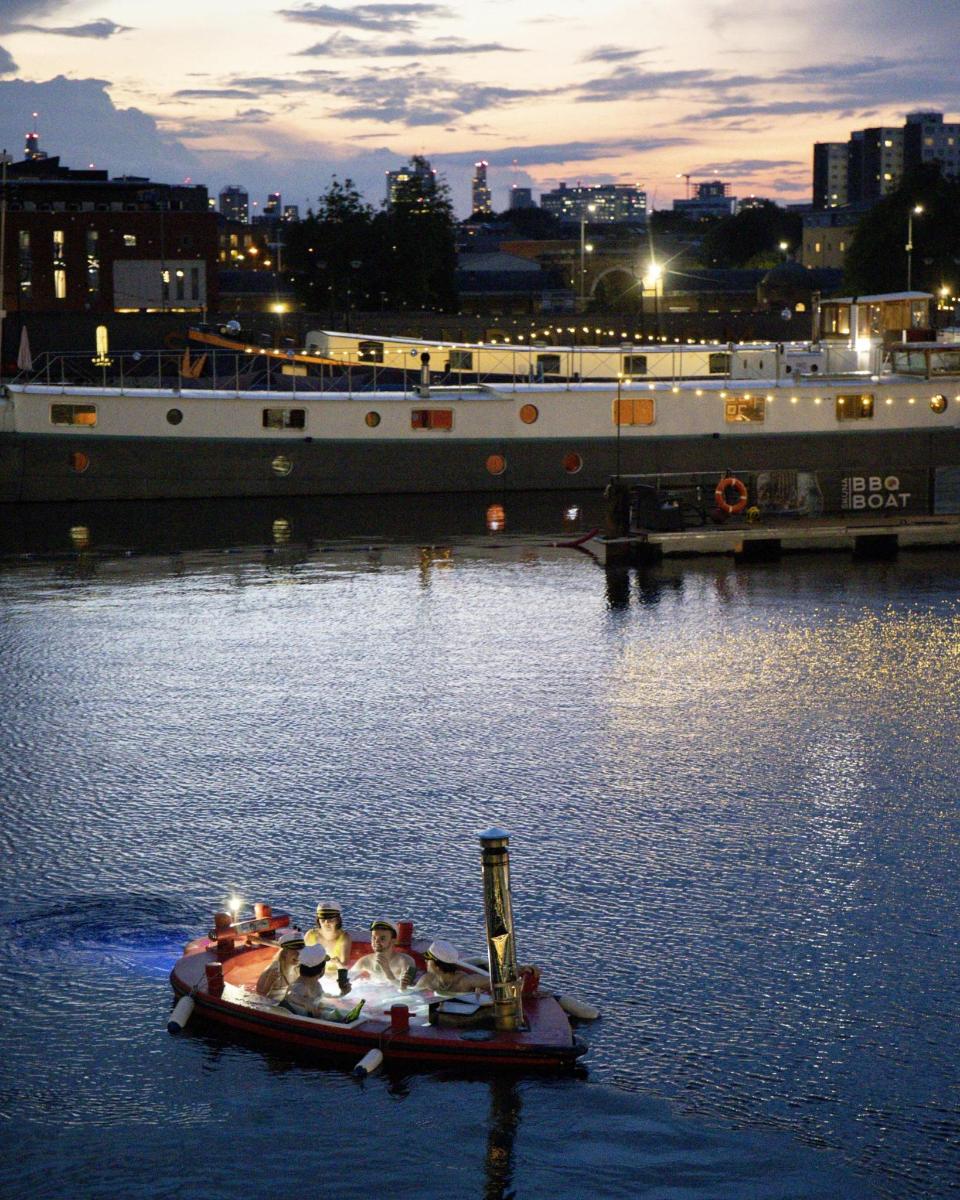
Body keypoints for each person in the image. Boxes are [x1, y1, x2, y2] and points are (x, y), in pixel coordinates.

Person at [284, 945, 365, 1022]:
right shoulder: (300, 985)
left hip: (310, 1019)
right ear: (322, 970)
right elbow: (290, 994)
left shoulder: (316, 985)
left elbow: (325, 997)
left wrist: (342, 993)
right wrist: (305, 1002)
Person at [350, 919, 416, 988]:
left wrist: (387, 971)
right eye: (374, 938)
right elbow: (345, 980)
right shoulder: (365, 961)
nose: (376, 942)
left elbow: (407, 990)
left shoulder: (406, 961)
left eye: (382, 938)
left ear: (393, 941)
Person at [413, 940, 484, 996]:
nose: (425, 960)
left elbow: (491, 982)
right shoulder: (427, 980)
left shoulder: (464, 981)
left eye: (428, 958)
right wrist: (402, 986)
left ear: (438, 967)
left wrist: (482, 990)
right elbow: (411, 996)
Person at [303, 901, 352, 979]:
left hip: (332, 978)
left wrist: (337, 963)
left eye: (330, 919)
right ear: (318, 920)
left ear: (337, 920)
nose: (326, 922)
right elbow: (300, 958)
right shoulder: (310, 935)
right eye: (323, 919)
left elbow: (344, 967)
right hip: (312, 976)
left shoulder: (344, 938)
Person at [255, 929, 304, 1001]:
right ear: (285, 953)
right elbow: (259, 998)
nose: (298, 955)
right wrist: (268, 984)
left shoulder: (297, 970)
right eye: (294, 951)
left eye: (301, 951)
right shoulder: (273, 972)